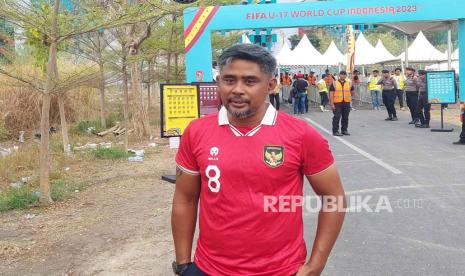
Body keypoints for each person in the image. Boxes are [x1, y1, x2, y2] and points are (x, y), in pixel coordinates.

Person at [171, 44, 346, 276]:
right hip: (209, 269)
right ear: (218, 82)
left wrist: (316, 265)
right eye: (229, 80)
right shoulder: (196, 132)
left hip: (282, 270)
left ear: (271, 85)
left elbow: (333, 198)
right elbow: (185, 198)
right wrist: (183, 264)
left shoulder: (301, 135)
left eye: (250, 81)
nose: (237, 89)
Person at [329, 71, 354, 136]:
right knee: (336, 117)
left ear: (346, 76)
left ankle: (344, 130)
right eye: (341, 74)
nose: (343, 76)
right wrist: (332, 104)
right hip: (337, 103)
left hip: (346, 102)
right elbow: (331, 94)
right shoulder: (334, 83)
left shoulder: (349, 83)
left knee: (345, 117)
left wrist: (352, 88)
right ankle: (335, 131)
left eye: (344, 74)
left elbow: (352, 93)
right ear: (339, 75)